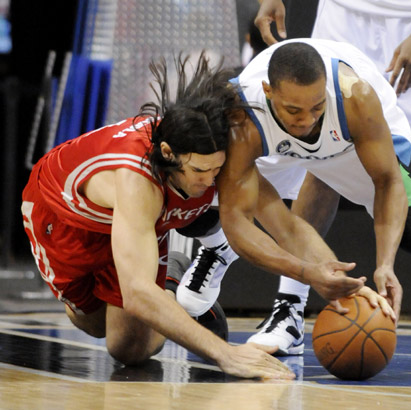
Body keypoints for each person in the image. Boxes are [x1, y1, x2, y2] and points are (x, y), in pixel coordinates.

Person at [175, 39, 411, 361]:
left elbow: (387, 182)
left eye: (316, 107)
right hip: (272, 139)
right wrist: (310, 272)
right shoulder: (243, 117)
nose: (307, 120)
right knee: (206, 196)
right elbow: (257, 224)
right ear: (268, 92)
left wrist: (385, 264)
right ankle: (277, 303)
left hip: (349, 136)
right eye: (294, 110)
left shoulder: (355, 97)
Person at [20, 53, 295, 380]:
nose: (210, 181)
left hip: (139, 221)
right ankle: (171, 283)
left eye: (216, 169)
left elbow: (285, 224)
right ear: (167, 153)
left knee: (129, 350)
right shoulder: (136, 179)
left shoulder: (206, 149)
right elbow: (137, 294)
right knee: (93, 324)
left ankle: (169, 283)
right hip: (64, 219)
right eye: (199, 171)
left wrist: (322, 274)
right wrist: (226, 354)